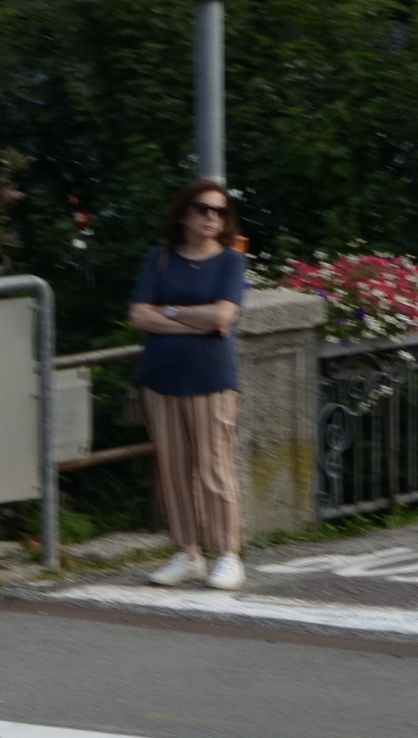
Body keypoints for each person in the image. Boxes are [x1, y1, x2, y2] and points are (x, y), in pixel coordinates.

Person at [130, 180, 250, 590]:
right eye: (202, 209)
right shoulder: (160, 259)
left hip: (211, 379)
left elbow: (222, 317)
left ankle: (228, 554)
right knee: (173, 470)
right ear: (184, 214)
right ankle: (188, 552)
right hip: (161, 378)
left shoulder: (231, 262)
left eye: (219, 211)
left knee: (215, 469)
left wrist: (170, 312)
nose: (211, 217)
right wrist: (189, 320)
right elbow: (139, 316)